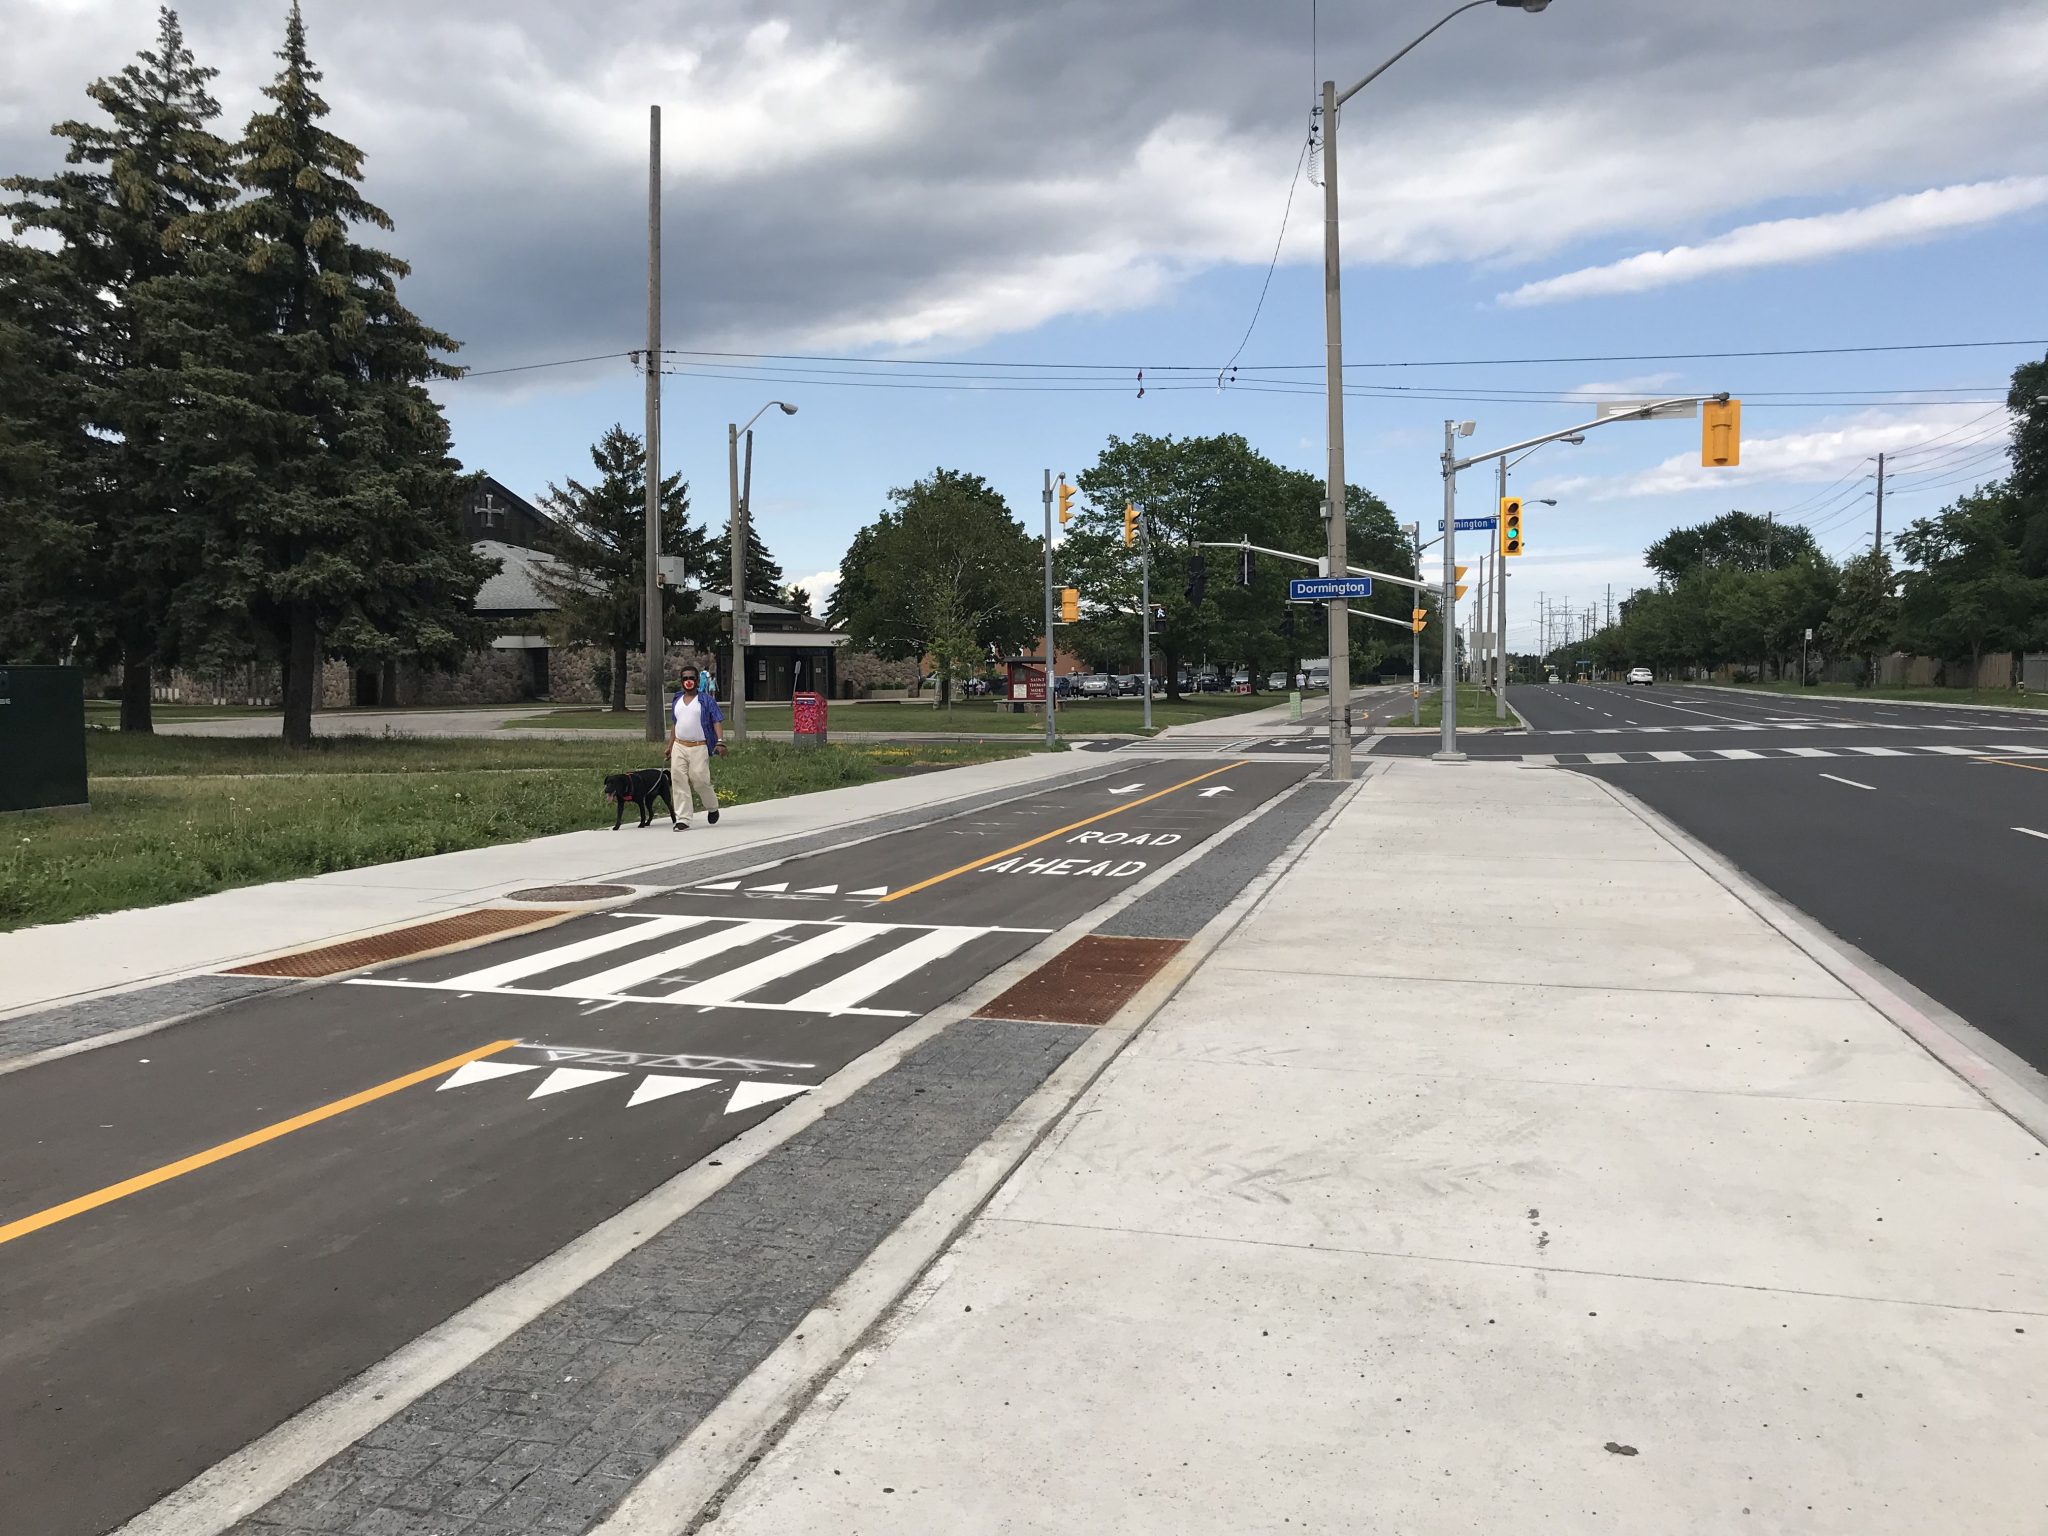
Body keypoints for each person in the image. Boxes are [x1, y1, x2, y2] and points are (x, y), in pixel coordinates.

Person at [665, 665, 726, 829]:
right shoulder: (677, 699)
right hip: (679, 745)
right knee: (678, 779)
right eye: (685, 678)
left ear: (697, 681)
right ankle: (683, 819)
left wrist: (720, 741)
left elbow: (716, 721)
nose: (688, 681)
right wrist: (670, 746)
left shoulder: (706, 700)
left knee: (699, 779)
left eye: (691, 678)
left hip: (699, 746)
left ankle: (712, 807)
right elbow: (675, 724)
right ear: (681, 682)